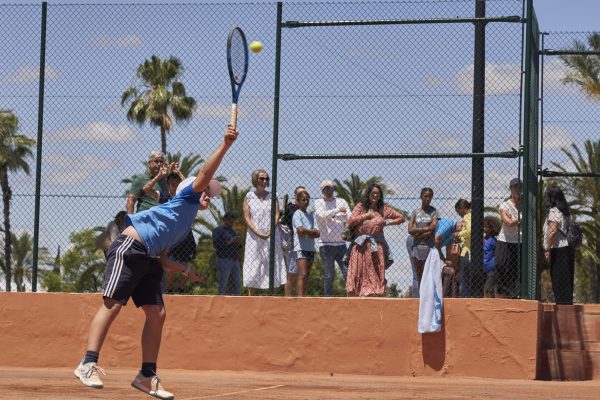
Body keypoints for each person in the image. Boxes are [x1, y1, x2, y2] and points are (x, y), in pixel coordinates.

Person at [74, 124, 238, 400]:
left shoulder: (184, 220)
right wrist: (226, 144)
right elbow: (205, 173)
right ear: (195, 189)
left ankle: (146, 376)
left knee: (157, 314)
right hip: (130, 248)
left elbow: (162, 258)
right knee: (113, 305)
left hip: (148, 257)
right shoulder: (186, 197)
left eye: (211, 192)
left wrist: (186, 270)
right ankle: (88, 363)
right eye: (207, 190)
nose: (210, 194)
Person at [346, 184, 405, 296]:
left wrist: (386, 223)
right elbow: (351, 221)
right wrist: (366, 216)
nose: (375, 195)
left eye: (378, 193)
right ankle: (358, 292)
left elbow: (401, 218)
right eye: (373, 193)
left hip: (376, 246)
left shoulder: (384, 208)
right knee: (359, 271)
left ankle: (375, 292)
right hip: (361, 245)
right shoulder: (361, 207)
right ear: (368, 194)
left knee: (375, 271)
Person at [242, 169, 286, 295]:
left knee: (274, 259)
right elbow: (246, 216)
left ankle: (273, 295)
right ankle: (251, 295)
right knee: (253, 260)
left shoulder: (274, 196)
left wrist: (271, 229)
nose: (265, 181)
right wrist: (256, 232)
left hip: (272, 233)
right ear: (255, 179)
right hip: (254, 236)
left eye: (267, 178)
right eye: (262, 178)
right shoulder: (249, 196)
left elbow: (277, 213)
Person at [313, 180, 350, 296]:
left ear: (333, 189)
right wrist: (338, 211)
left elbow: (349, 217)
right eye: (325, 188)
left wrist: (331, 216)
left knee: (347, 272)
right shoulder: (318, 202)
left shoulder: (341, 201)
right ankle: (327, 298)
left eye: (330, 188)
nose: (328, 190)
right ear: (322, 190)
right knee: (329, 274)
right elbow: (321, 215)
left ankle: (351, 295)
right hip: (326, 244)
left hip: (341, 244)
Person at [543, 185, 575, 305]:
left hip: (558, 250)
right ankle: (567, 309)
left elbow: (552, 231)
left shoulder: (554, 212)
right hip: (568, 250)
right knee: (567, 283)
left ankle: (562, 313)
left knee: (558, 282)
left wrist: (547, 249)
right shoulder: (565, 212)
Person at [495, 178, 522, 298]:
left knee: (517, 269)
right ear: (511, 189)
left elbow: (512, 221)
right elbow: (508, 223)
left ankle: (515, 294)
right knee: (501, 266)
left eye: (520, 186)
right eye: (515, 186)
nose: (518, 189)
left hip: (519, 241)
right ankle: (502, 293)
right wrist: (521, 219)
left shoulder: (525, 205)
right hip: (505, 240)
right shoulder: (504, 205)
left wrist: (514, 220)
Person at [407, 188, 439, 286]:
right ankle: (419, 297)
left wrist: (418, 233)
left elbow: (432, 229)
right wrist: (425, 229)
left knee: (429, 274)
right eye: (425, 196)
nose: (427, 199)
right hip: (416, 246)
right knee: (418, 275)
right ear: (421, 197)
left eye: (430, 196)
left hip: (429, 247)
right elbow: (410, 230)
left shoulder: (434, 212)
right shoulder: (415, 212)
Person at [280, 186, 306, 296]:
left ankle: (299, 296)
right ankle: (288, 297)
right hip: (292, 243)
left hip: (302, 244)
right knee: (291, 272)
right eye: (300, 194)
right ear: (295, 196)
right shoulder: (291, 208)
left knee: (301, 273)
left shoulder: (304, 210)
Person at [292, 190, 320, 296]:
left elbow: (318, 233)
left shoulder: (311, 216)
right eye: (303, 200)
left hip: (310, 248)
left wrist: (308, 232)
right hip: (301, 248)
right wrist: (311, 232)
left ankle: (304, 296)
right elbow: (300, 231)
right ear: (298, 201)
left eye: (307, 200)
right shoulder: (297, 214)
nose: (306, 202)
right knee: (302, 274)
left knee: (307, 275)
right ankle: (300, 298)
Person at [212, 212, 242, 295]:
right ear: (224, 219)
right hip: (224, 259)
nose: (232, 222)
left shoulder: (232, 230)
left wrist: (238, 242)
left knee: (236, 284)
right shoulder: (217, 230)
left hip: (235, 260)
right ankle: (221, 303)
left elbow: (236, 246)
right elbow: (216, 245)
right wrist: (229, 241)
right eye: (230, 220)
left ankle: (237, 303)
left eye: (233, 220)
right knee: (223, 284)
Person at [454, 198, 478, 297]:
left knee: (464, 279)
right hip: (469, 249)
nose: (458, 214)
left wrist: (458, 234)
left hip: (467, 251)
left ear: (462, 208)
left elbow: (471, 230)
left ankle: (464, 299)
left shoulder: (468, 217)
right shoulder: (472, 216)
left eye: (458, 211)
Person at [433, 218, 462, 297]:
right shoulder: (449, 224)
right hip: (424, 246)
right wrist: (442, 258)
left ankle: (446, 297)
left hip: (433, 251)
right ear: (459, 225)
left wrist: (450, 263)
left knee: (451, 271)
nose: (460, 234)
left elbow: (449, 253)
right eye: (462, 229)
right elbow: (436, 239)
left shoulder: (451, 235)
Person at [483, 215, 501, 298]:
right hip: (482, 267)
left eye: (486, 227)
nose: (484, 229)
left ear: (492, 228)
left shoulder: (493, 241)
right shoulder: (482, 239)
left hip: (491, 268)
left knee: (488, 288)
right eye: (483, 226)